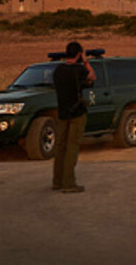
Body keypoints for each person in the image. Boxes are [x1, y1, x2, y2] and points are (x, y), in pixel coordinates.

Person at [52, 41, 95, 193]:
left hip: (62, 112)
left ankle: (57, 181)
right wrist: (85, 61)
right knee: (72, 148)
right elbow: (92, 77)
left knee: (61, 148)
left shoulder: (58, 70)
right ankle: (68, 183)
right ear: (78, 53)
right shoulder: (79, 70)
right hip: (77, 113)